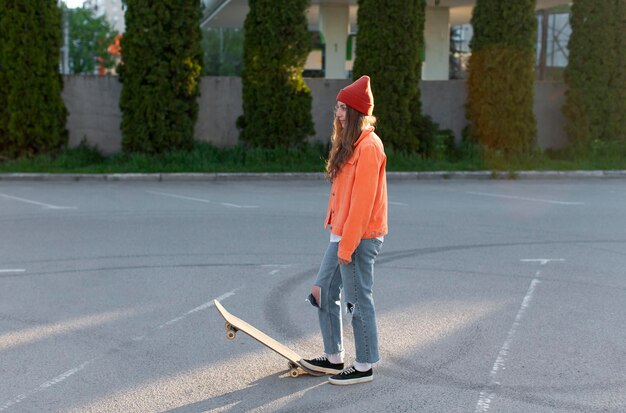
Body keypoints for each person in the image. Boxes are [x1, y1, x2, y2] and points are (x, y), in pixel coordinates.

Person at [301, 75, 388, 385]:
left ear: (357, 112)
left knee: (357, 299)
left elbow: (362, 205)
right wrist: (334, 230)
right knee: (323, 292)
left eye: (343, 108)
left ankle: (364, 364)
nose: (337, 113)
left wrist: (346, 247)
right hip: (341, 234)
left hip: (359, 238)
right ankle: (334, 358)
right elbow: (343, 194)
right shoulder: (349, 144)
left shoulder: (369, 147)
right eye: (336, 107)